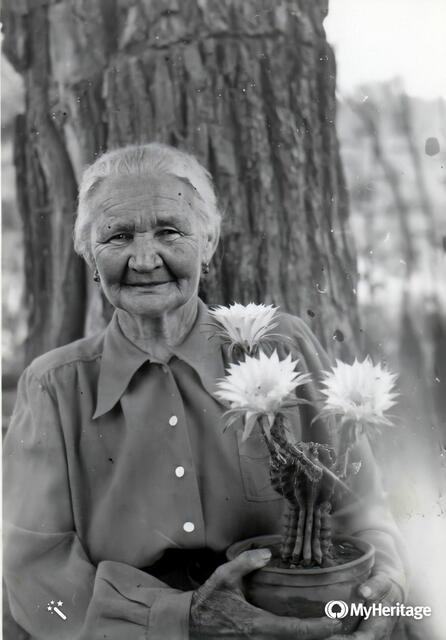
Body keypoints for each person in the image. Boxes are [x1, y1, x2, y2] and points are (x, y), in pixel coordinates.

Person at [3, 143, 407, 640]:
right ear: (89, 253)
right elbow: (33, 574)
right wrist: (184, 618)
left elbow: (361, 507)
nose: (145, 258)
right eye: (118, 236)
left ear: (209, 242)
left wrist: (387, 583)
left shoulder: (282, 346)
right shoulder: (54, 387)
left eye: (170, 231)